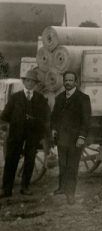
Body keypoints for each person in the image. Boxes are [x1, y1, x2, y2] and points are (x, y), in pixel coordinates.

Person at [0, 69, 50, 198]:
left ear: (35, 84)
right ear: (24, 82)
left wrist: (38, 128)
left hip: (33, 135)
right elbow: (5, 115)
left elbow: (46, 117)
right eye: (28, 81)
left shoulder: (40, 99)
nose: (30, 83)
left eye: (33, 81)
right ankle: (7, 189)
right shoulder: (15, 97)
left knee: (30, 161)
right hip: (16, 134)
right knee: (11, 160)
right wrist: (16, 122)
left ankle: (25, 187)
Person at [51, 71, 91, 203]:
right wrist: (54, 130)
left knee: (72, 166)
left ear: (76, 82)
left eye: (70, 80)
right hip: (62, 138)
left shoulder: (83, 98)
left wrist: (81, 137)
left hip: (75, 139)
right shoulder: (59, 98)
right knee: (62, 164)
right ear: (63, 82)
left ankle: (70, 194)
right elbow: (55, 117)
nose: (68, 82)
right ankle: (62, 187)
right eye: (66, 80)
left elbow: (86, 121)